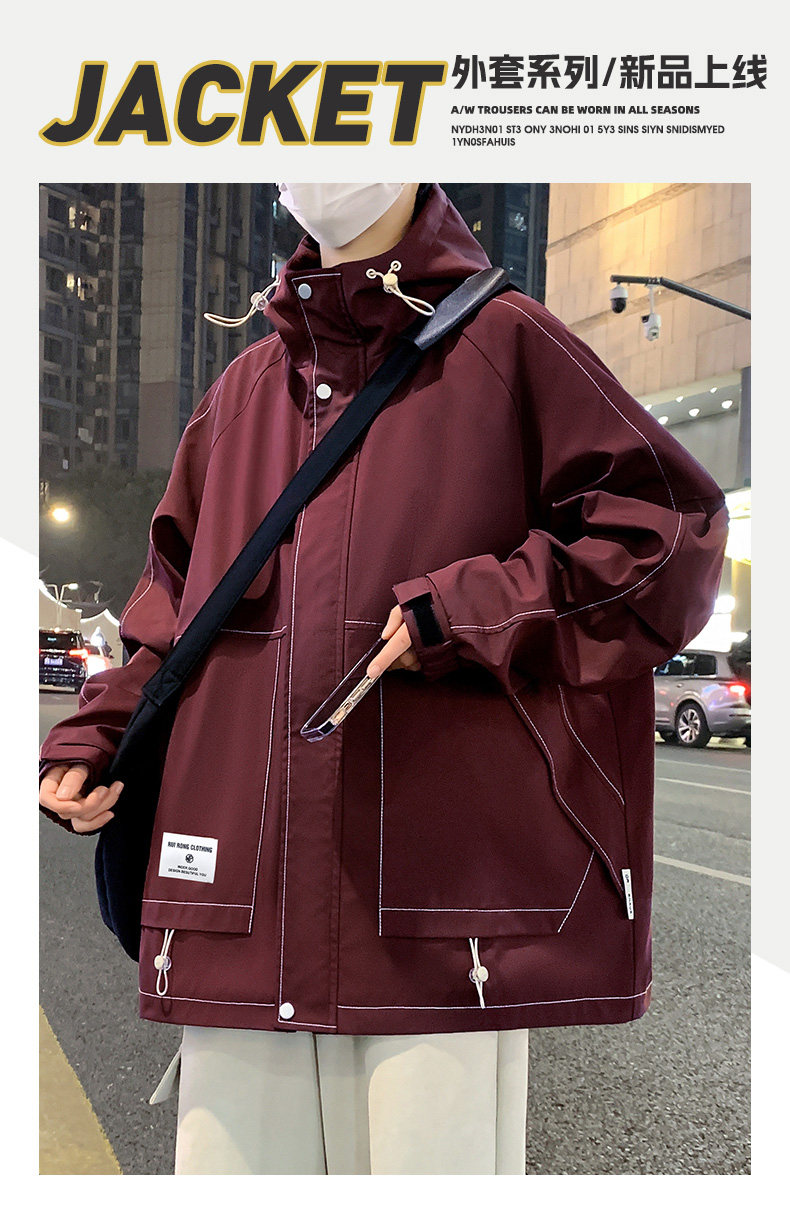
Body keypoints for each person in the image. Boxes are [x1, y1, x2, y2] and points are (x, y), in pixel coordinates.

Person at [39, 182, 729, 1175]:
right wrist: (95, 732)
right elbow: (170, 611)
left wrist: (475, 607)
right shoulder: (242, 393)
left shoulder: (507, 343)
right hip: (241, 898)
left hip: (435, 921)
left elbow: (667, 534)